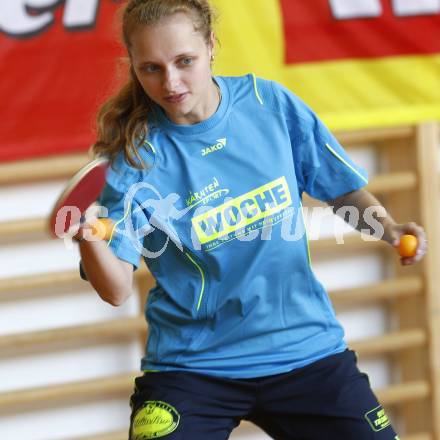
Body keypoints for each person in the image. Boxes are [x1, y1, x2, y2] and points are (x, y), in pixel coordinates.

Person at [74, 0, 427, 438]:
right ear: (133, 66)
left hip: (304, 351)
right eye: (151, 68)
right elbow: (116, 289)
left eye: (185, 61)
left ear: (211, 46)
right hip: (192, 367)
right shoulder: (136, 158)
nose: (171, 82)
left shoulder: (269, 104)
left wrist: (389, 229)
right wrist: (89, 238)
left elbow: (341, 188)